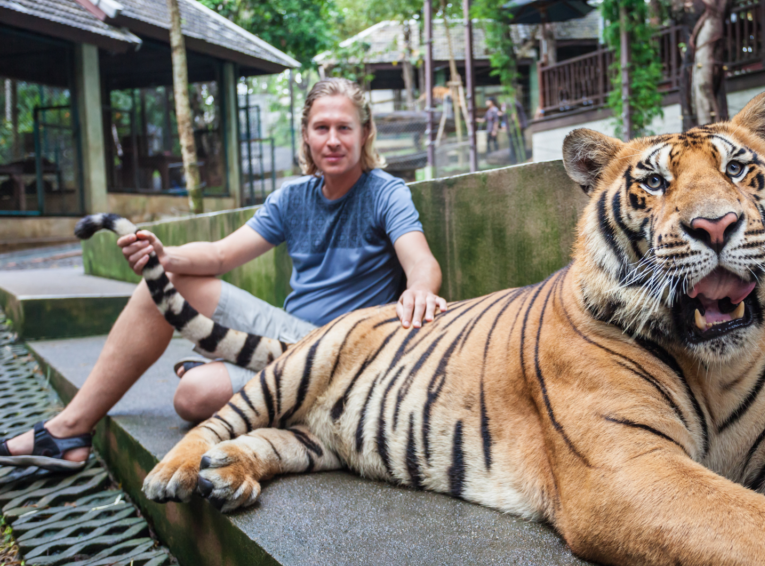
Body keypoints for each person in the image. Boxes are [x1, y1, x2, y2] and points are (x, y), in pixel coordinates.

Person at [0, 78, 447, 471]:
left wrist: (421, 291)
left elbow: (420, 262)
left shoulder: (385, 191)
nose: (333, 140)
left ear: (365, 132)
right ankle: (69, 430)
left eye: (344, 128)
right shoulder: (291, 197)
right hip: (287, 334)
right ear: (307, 136)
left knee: (191, 396)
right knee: (163, 282)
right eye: (321, 128)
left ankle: (244, 365)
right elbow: (217, 255)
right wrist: (163, 255)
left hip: (341, 353)